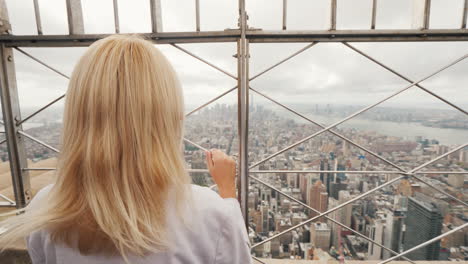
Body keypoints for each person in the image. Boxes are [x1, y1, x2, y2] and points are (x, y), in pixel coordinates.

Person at [0, 35, 252, 264]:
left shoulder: (46, 209)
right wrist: (228, 192)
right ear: (171, 117)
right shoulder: (209, 217)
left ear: (78, 115)